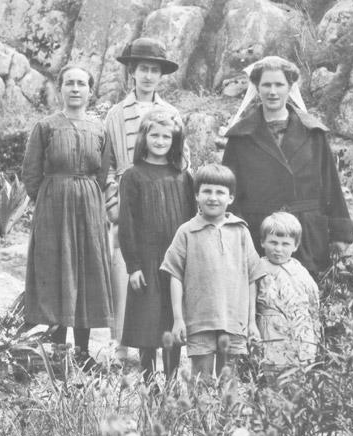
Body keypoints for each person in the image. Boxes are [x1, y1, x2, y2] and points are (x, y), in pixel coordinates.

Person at [221, 55, 353, 276]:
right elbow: (230, 193)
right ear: (257, 88)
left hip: (306, 234)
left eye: (279, 84)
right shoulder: (240, 137)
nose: (273, 92)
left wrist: (340, 233)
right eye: (266, 85)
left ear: (290, 88)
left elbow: (331, 184)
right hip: (259, 234)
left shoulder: (313, 133)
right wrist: (234, 237)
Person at [22, 65, 115, 371]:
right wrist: (49, 200)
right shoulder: (46, 126)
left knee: (87, 269)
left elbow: (102, 173)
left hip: (89, 206)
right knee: (57, 266)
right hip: (53, 205)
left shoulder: (99, 129)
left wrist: (86, 196)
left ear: (90, 91)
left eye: (81, 84)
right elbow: (31, 173)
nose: (75, 89)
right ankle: (58, 347)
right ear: (60, 89)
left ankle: (83, 351)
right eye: (69, 83)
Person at [104, 38, 188, 364]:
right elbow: (108, 164)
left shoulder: (171, 113)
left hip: (162, 199)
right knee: (128, 271)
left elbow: (183, 161)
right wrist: (113, 204)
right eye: (143, 70)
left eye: (154, 71)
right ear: (132, 73)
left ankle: (163, 345)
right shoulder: (116, 113)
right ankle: (123, 347)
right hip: (129, 196)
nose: (148, 76)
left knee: (163, 281)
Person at [161, 164, 265, 383]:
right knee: (201, 379)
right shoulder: (186, 232)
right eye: (207, 191)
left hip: (234, 320)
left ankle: (227, 418)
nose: (213, 197)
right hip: (200, 320)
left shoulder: (241, 231)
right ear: (197, 195)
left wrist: (251, 321)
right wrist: (178, 319)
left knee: (230, 379)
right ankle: (199, 418)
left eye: (220, 192)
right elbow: (175, 276)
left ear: (231, 198)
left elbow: (252, 278)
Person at [117, 107, 196, 385]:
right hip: (147, 259)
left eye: (167, 137)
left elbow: (192, 219)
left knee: (172, 319)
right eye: (155, 136)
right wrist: (133, 265)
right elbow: (126, 225)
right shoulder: (133, 175)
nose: (161, 142)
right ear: (144, 137)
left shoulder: (183, 176)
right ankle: (150, 381)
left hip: (176, 261)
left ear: (175, 141)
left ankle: (172, 380)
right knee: (147, 321)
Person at [254, 212, 321, 373]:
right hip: (271, 332)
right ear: (263, 242)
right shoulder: (257, 269)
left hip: (301, 332)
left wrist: (316, 331)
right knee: (274, 375)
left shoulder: (300, 270)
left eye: (285, 244)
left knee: (301, 375)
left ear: (295, 246)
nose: (278, 249)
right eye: (273, 242)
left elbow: (313, 302)